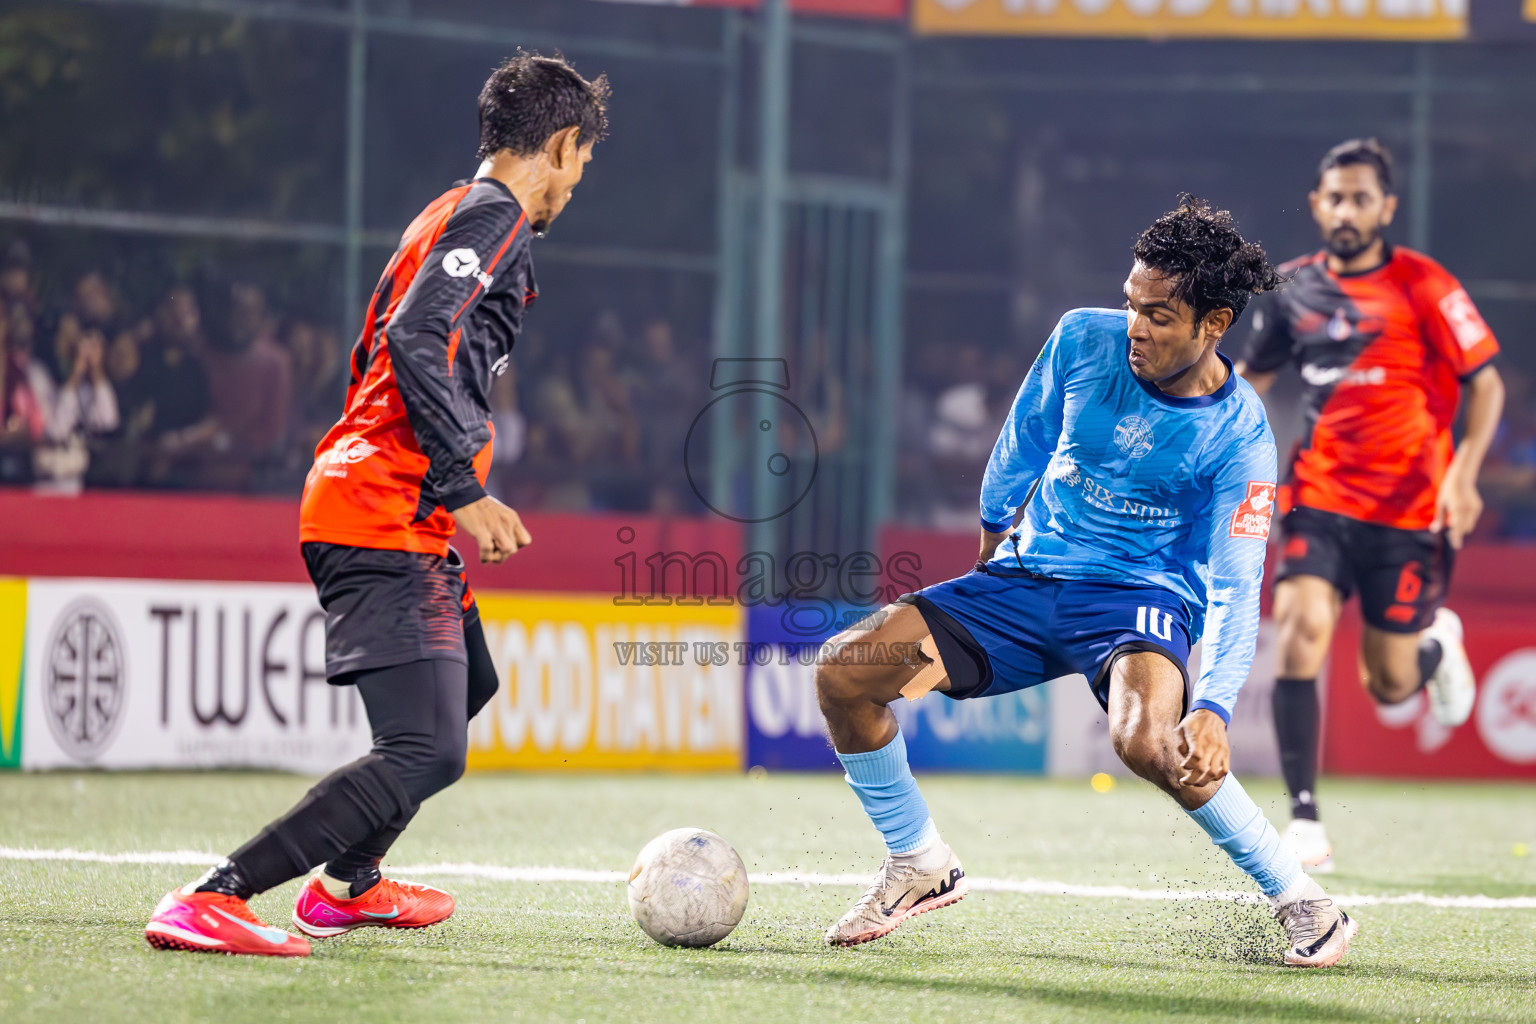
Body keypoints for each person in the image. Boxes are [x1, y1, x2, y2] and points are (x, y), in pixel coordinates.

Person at [814, 198, 1359, 969]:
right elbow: (1023, 440)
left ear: (1215, 322)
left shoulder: (1240, 436)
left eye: (1160, 316)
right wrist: (991, 542)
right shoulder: (1082, 337)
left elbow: (1238, 584)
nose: (1135, 327)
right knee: (844, 672)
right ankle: (919, 862)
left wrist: (1214, 708)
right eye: (1133, 304)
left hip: (1142, 597)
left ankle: (1306, 903)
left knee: (1148, 741)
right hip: (1029, 576)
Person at [144, 53, 608, 958]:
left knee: (470, 686)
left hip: (391, 503)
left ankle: (349, 884)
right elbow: (412, 335)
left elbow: (382, 356)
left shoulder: (447, 211)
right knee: (425, 749)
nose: (578, 181)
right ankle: (213, 896)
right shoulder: (497, 216)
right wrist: (464, 487)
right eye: (582, 159)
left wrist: (439, 482)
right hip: (380, 511)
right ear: (557, 145)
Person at [1235, 140, 1504, 873]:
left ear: (1386, 207)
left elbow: (1487, 383)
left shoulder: (1423, 284)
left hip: (1412, 510)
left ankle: (1433, 646)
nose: (1347, 210)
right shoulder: (1291, 289)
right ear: (1317, 203)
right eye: (1335, 197)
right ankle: (1303, 819)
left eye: (1362, 198)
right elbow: (1247, 385)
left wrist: (1465, 476)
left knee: (1387, 684)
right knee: (1298, 627)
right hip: (1320, 497)